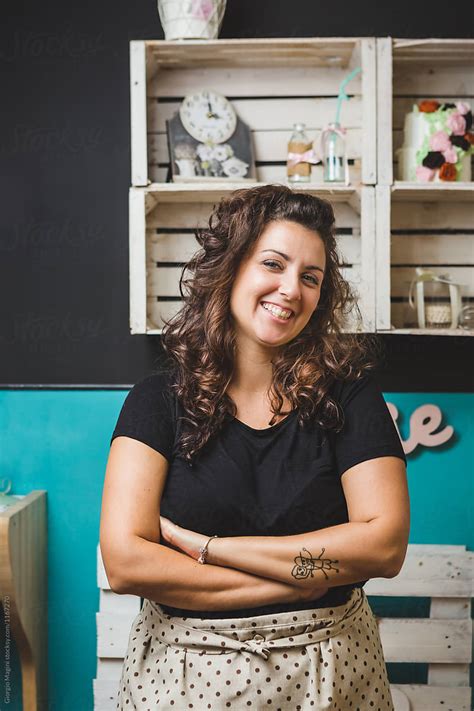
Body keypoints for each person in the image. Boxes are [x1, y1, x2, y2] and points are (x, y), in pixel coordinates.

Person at [100, 184, 410, 710]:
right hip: (182, 681)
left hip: (332, 678)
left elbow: (383, 547)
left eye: (310, 278)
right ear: (232, 268)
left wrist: (210, 549)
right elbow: (127, 563)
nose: (292, 289)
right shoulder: (156, 400)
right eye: (274, 264)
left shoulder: (351, 397)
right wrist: (294, 585)